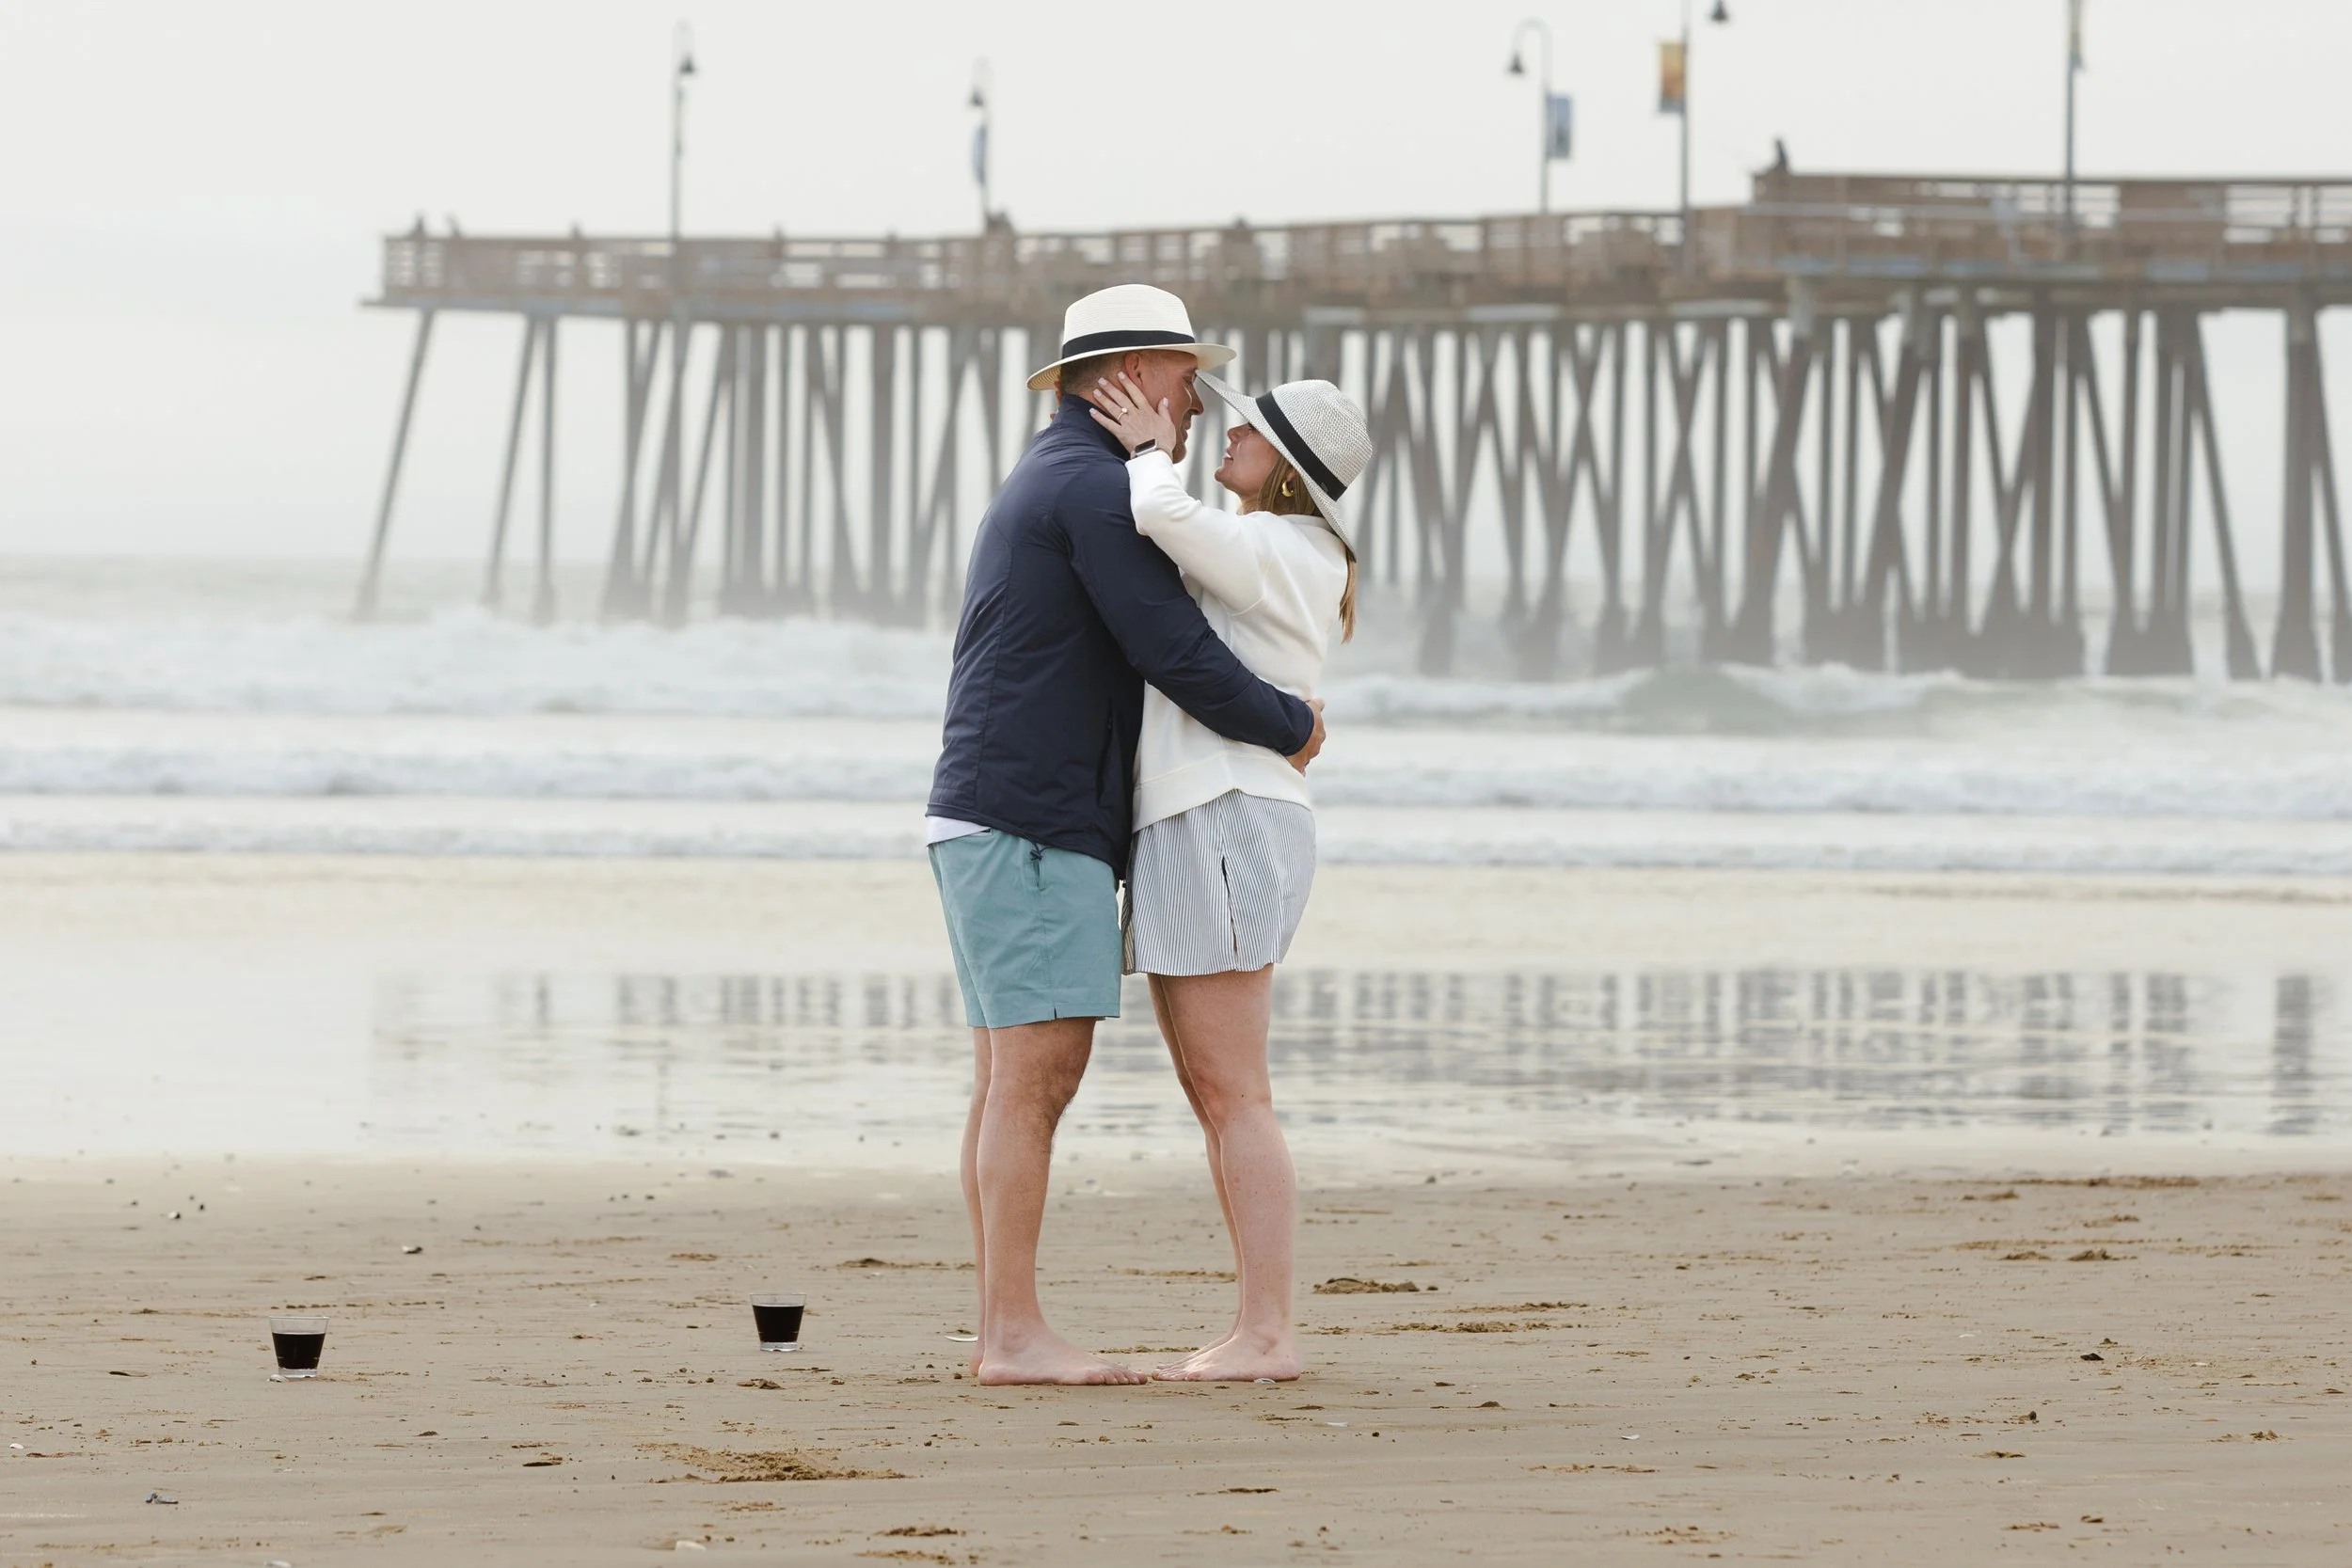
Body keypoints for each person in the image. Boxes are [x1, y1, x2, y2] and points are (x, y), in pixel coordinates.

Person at [926, 283, 1327, 1386]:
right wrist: (1293, 724)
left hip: (996, 811)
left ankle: (1005, 1326)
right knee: (1032, 1079)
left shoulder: (1053, 477)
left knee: (1006, 1080)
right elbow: (1173, 650)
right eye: (1188, 376)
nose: (1197, 405)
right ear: (1135, 375)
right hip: (1030, 817)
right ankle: (1010, 1333)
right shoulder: (1096, 490)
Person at [1083, 369, 1370, 1382]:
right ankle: (1258, 1325)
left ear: (1286, 466)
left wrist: (1146, 440)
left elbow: (1162, 510)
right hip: (1218, 815)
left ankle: (1268, 1332)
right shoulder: (1284, 548)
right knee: (1220, 1091)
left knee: (1235, 1091)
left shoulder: (1281, 547)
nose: (1227, 432)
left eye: (1246, 427)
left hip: (1227, 817)